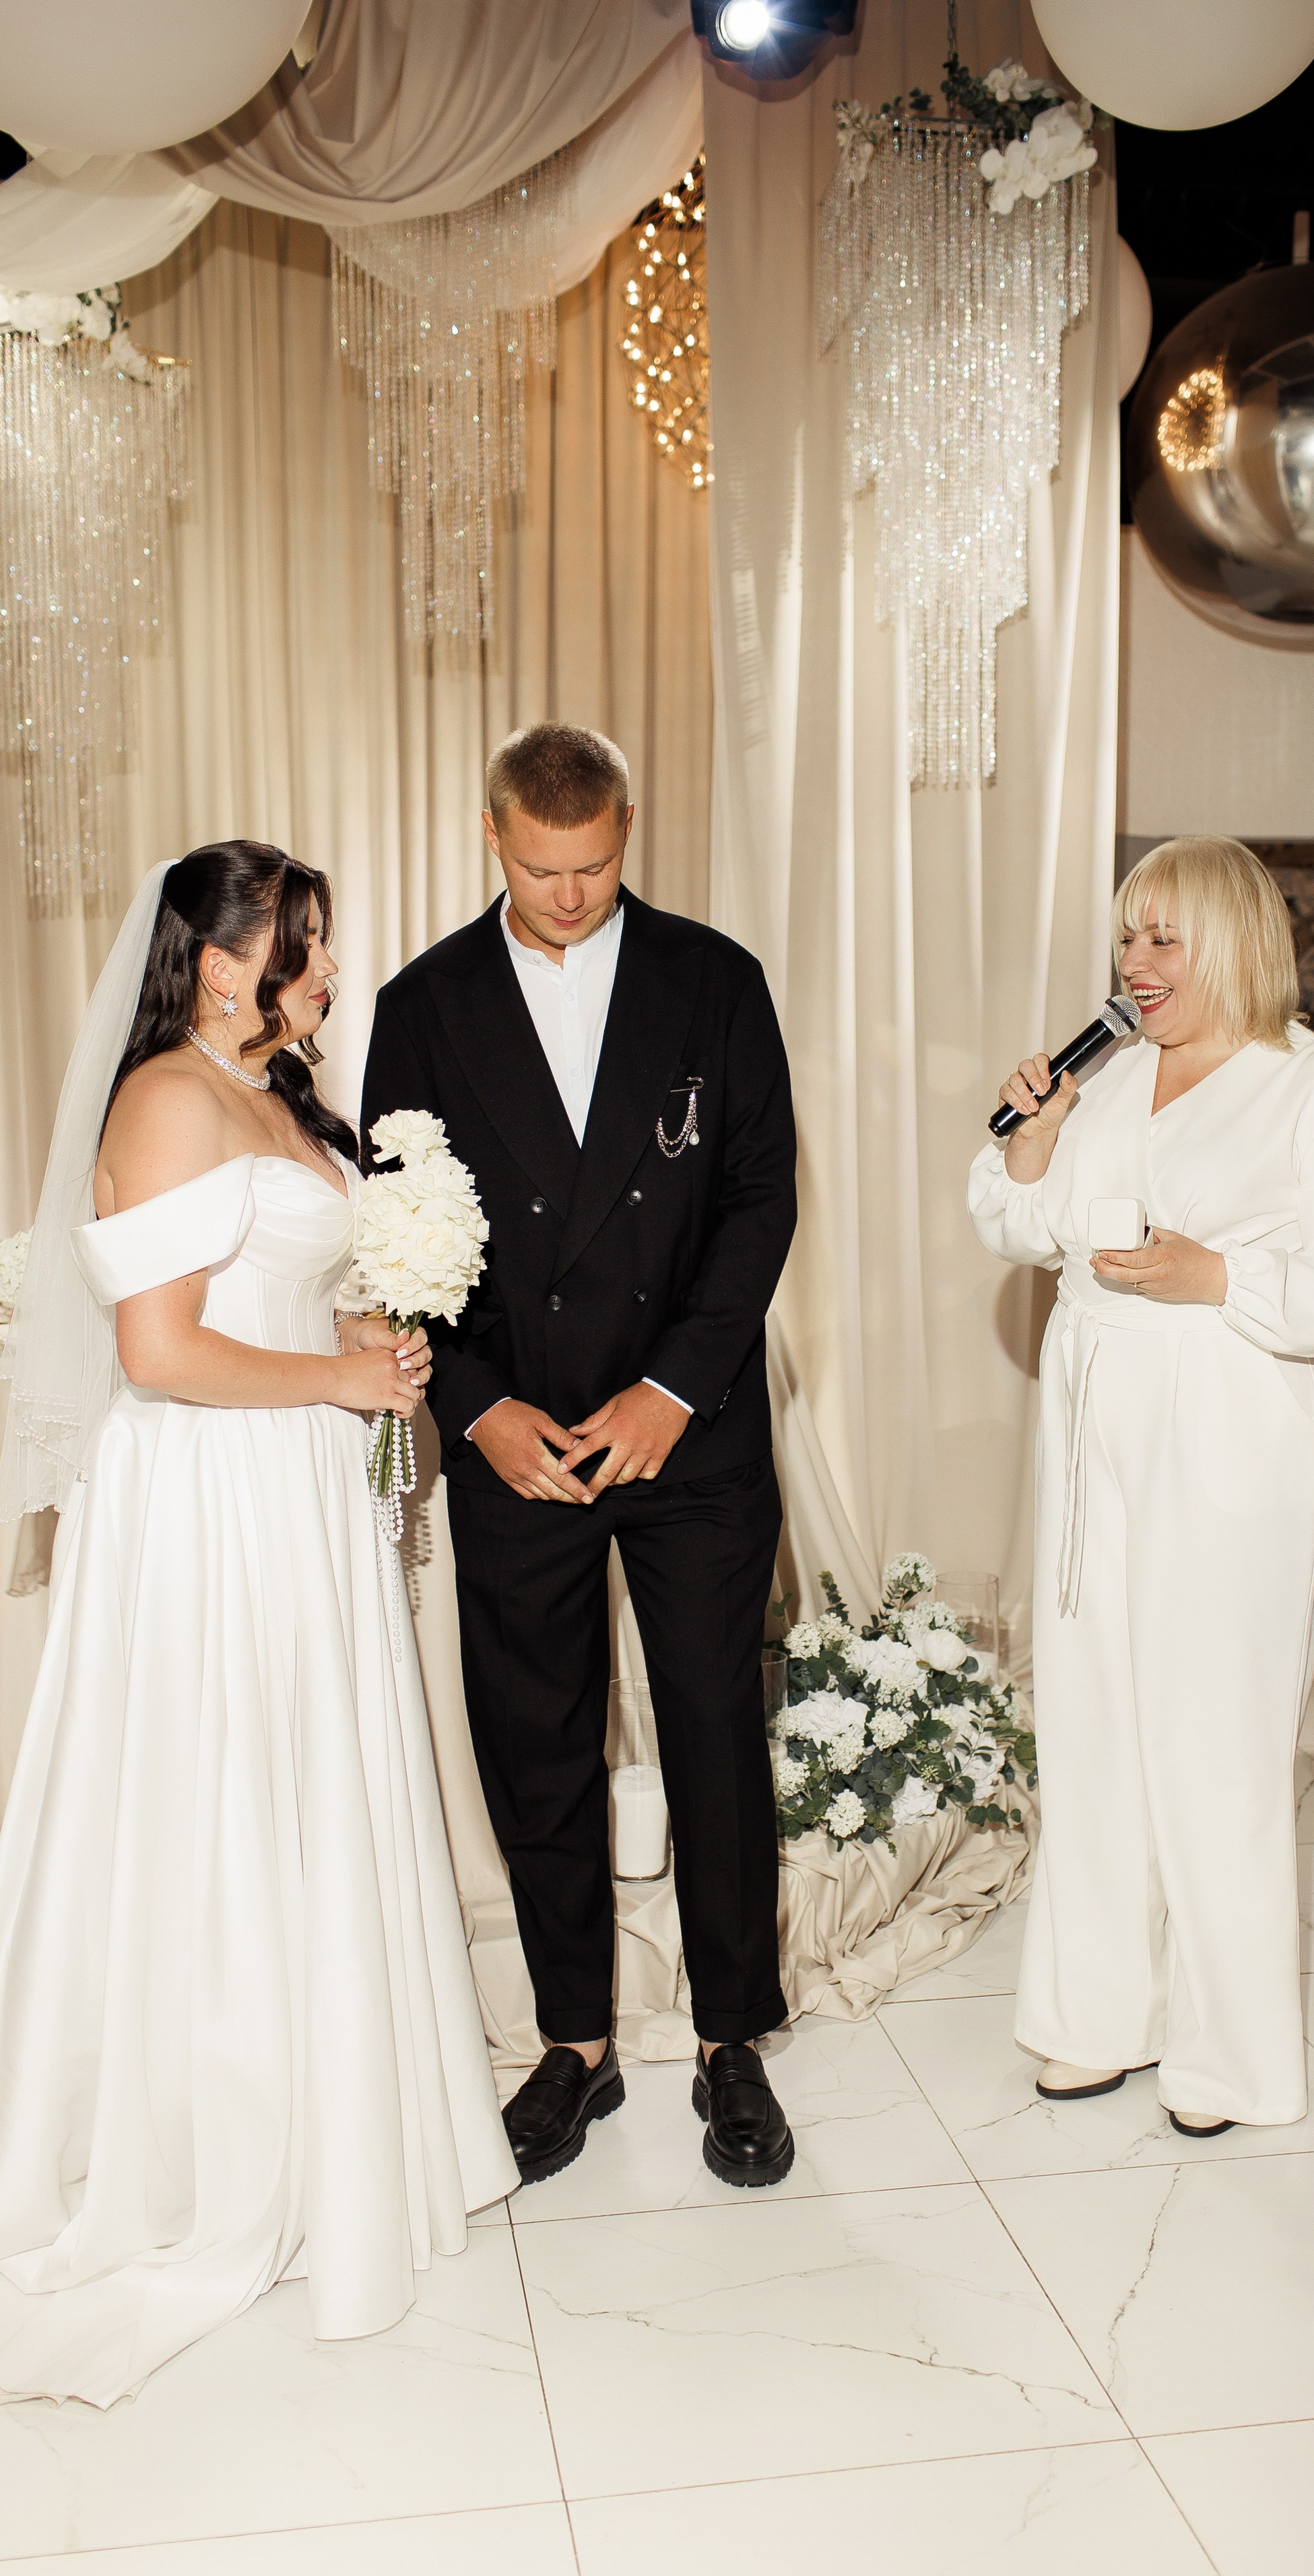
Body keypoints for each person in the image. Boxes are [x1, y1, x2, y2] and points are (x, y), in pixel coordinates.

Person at [0, 843, 518, 2408]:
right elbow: (156, 1352)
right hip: (212, 1501)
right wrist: (337, 1378)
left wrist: (363, 1331)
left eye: (322, 944)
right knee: (224, 1792)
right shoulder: (162, 1095)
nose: (321, 972)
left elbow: (266, 1293)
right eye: (296, 947)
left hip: (295, 1486)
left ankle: (329, 2098)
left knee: (311, 1781)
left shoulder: (285, 1097)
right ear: (210, 957)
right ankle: (215, 2127)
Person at [361, 724, 799, 2189]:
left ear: (628, 831)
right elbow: (401, 1229)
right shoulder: (418, 1005)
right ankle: (574, 2045)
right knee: (536, 1742)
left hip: (689, 1432)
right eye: (544, 868)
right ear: (493, 837)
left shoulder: (713, 981)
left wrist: (674, 1385)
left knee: (711, 1733)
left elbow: (756, 1201)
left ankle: (732, 2038)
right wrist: (474, 1407)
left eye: (597, 865)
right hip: (520, 1441)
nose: (570, 892)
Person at [968, 836, 1314, 2135]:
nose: (1136, 963)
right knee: (1095, 1716)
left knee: (1211, 1738)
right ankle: (1096, 2015)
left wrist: (1219, 1277)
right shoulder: (1103, 1078)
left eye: (1165, 939)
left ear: (1233, 943)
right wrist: (1039, 1143)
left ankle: (1230, 2057)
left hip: (1231, 1430)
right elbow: (1008, 1223)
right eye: (1127, 939)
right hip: (1095, 1433)